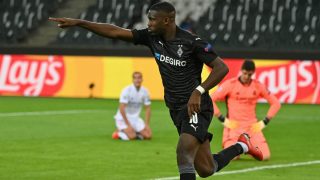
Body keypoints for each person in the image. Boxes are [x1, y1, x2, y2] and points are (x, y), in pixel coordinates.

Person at [49, 2, 263, 179]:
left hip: (196, 106)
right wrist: (80, 22)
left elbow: (221, 67)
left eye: (152, 19)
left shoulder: (192, 43)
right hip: (176, 108)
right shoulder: (152, 38)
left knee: (183, 152)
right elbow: (114, 32)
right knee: (206, 169)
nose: (148, 23)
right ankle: (242, 146)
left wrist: (198, 90)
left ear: (167, 20)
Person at [211, 60, 281, 160]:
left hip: (252, 127)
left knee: (265, 156)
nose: (246, 76)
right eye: (245, 73)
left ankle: (246, 147)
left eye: (249, 74)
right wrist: (222, 119)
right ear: (241, 71)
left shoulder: (258, 86)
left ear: (253, 73)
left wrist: (264, 122)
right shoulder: (230, 84)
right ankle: (244, 147)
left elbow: (276, 103)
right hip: (234, 127)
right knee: (233, 157)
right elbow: (210, 99)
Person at [112, 72, 152, 140]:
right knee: (132, 136)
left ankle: (133, 132)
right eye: (135, 78)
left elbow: (148, 108)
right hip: (122, 119)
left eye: (139, 78)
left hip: (135, 119)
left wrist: (147, 124)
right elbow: (121, 108)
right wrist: (128, 125)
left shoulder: (145, 91)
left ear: (142, 79)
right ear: (132, 80)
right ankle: (118, 132)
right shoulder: (127, 90)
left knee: (148, 135)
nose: (137, 80)